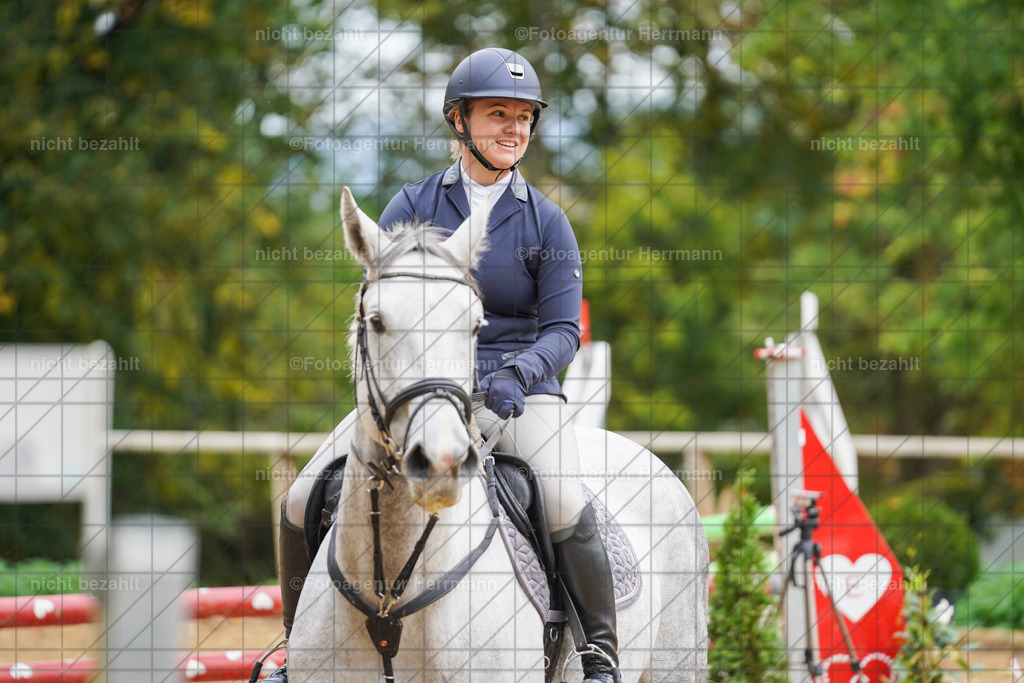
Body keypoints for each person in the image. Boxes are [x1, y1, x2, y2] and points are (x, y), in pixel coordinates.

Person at [264, 47, 621, 683]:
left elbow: (564, 329)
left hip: (518, 391)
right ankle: (297, 653)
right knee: (299, 498)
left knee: (563, 499)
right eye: (498, 115)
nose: (515, 129)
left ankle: (598, 656)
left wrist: (516, 374)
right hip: (413, 391)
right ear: (459, 121)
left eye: (524, 117)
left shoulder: (548, 221)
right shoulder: (412, 205)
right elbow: (379, 306)